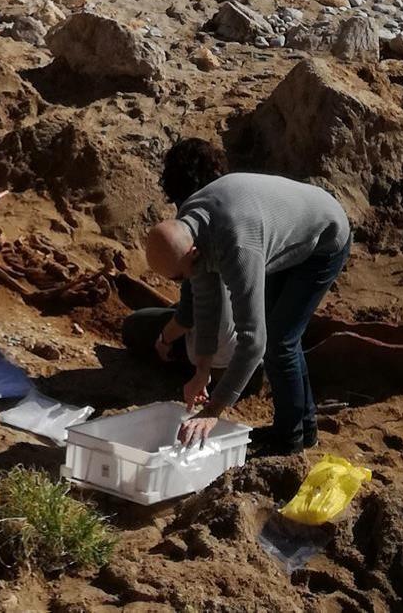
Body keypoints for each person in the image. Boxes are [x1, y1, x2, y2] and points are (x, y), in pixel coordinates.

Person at [145, 173, 351, 455]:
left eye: (179, 277)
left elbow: (253, 341)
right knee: (282, 335)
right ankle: (305, 429)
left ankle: (289, 439)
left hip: (324, 237)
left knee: (279, 340)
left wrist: (213, 410)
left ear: (192, 252)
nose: (180, 282)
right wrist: (202, 370)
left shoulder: (237, 247)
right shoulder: (189, 225)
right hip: (279, 230)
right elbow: (206, 302)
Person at [122, 139, 238, 378]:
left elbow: (190, 312)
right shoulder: (240, 205)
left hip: (222, 364)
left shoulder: (195, 228)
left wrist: (164, 339)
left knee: (134, 327)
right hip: (257, 346)